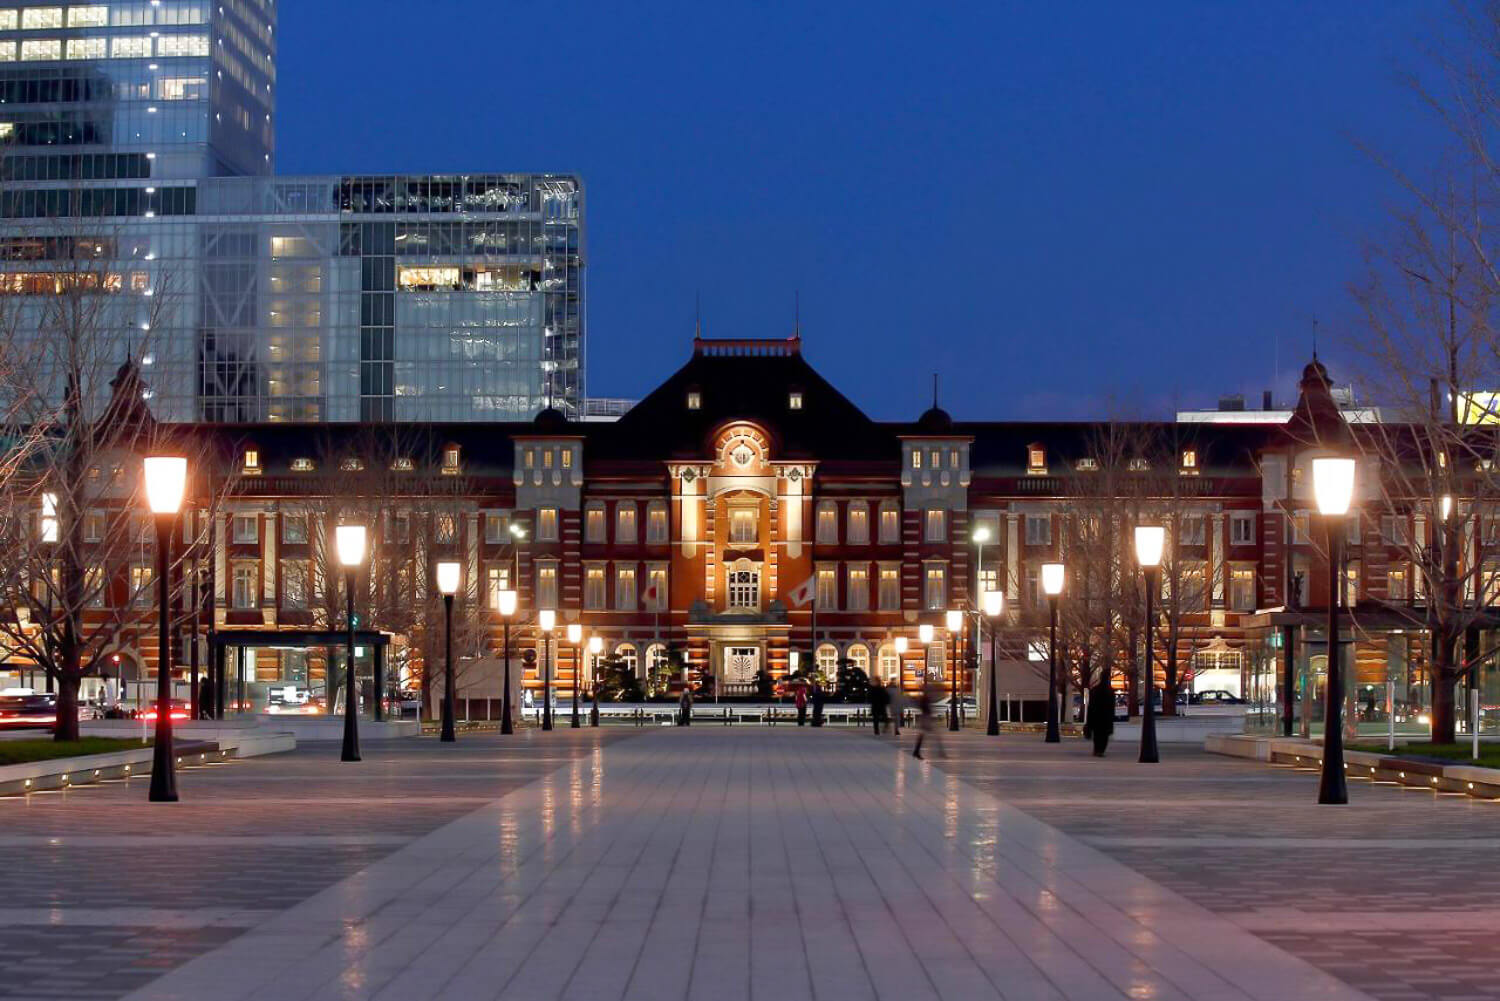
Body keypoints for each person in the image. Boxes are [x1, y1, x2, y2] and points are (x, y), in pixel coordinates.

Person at [912, 678, 945, 759]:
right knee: (935, 735)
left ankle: (916, 751)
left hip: (926, 717)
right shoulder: (926, 697)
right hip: (926, 718)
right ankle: (941, 752)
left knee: (924, 734)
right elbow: (927, 706)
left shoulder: (925, 696)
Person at [1087, 682, 1114, 757]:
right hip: (1105, 718)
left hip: (1096, 717)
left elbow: (1091, 706)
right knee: (1104, 736)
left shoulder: (1094, 690)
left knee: (1097, 735)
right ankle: (1100, 750)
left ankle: (1097, 750)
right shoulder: (1110, 691)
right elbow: (1112, 707)